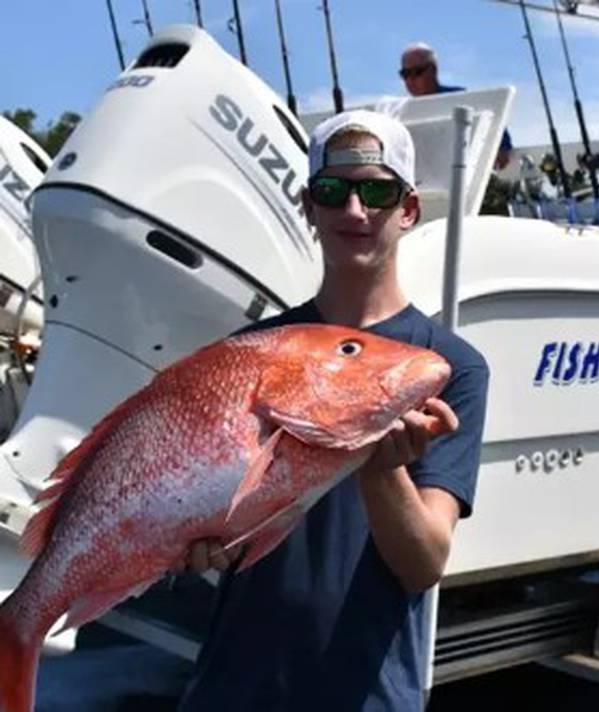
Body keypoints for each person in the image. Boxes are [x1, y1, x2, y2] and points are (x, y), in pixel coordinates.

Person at [177, 109, 490, 711]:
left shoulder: (449, 366)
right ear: (307, 206)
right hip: (230, 689)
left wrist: (378, 463)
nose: (354, 211)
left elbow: (425, 562)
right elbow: (224, 520)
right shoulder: (253, 350)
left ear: (410, 209)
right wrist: (198, 547)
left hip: (364, 696)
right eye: (332, 191)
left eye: (377, 190)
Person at [400, 42, 513, 170]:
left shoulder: (461, 99)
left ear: (433, 70)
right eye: (405, 74)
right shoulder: (401, 112)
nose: (410, 80)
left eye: (416, 72)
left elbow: (499, 140)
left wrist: (500, 151)